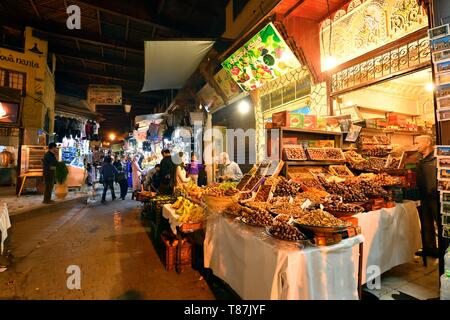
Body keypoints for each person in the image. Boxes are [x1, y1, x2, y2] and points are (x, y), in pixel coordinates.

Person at [415, 135, 439, 258]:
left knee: (439, 223)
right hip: (423, 196)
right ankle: (429, 248)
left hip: (436, 197)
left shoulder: (437, 157)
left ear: (428, 142)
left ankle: (445, 249)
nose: (416, 145)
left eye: (418, 142)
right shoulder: (419, 159)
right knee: (426, 224)